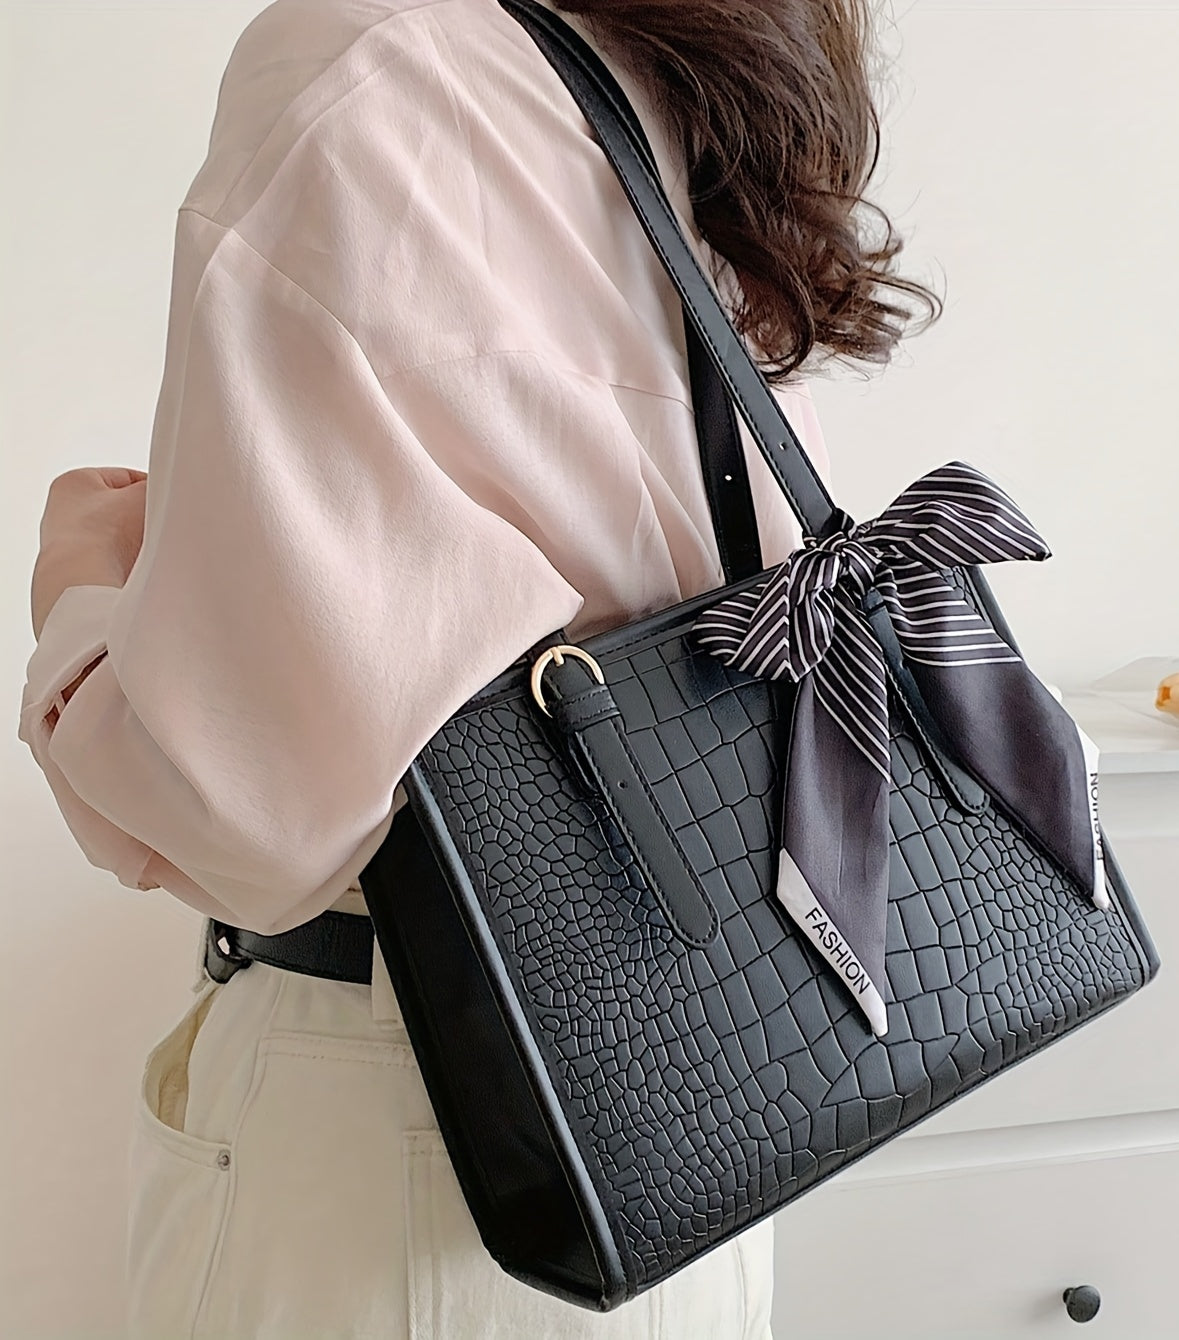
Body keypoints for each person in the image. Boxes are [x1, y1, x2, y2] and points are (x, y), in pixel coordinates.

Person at [18, 0, 940, 1335]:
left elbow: (242, 806)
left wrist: (82, 590)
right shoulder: (673, 65)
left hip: (414, 1144)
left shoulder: (362, 56)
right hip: (708, 1143)